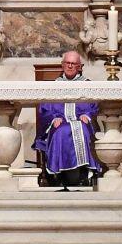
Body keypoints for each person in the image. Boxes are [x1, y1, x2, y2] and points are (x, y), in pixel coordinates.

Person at [35, 51, 99, 189]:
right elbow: (44, 109)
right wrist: (53, 118)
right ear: (62, 65)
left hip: (81, 122)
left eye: (73, 64)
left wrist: (87, 115)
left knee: (81, 129)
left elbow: (94, 107)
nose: (70, 66)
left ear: (79, 67)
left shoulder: (87, 85)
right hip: (60, 122)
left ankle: (82, 175)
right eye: (67, 63)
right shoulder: (54, 86)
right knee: (61, 132)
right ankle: (60, 177)